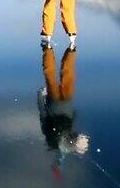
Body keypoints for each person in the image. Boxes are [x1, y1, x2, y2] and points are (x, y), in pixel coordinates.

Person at [37, 44, 89, 179]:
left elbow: (63, 151)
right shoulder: (51, 138)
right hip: (56, 104)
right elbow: (43, 115)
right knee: (51, 77)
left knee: (68, 76)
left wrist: (58, 165)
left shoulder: (59, 144)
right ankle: (49, 50)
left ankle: (71, 51)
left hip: (66, 106)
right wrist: (41, 95)